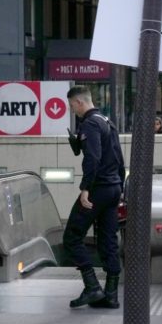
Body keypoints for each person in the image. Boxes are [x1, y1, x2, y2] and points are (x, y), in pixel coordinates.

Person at [63, 86, 125, 309]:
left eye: (72, 106)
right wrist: (120, 188)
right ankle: (111, 295)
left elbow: (93, 158)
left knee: (71, 236)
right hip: (113, 189)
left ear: (79, 102)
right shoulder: (107, 121)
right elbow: (118, 157)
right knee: (108, 241)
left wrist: (85, 188)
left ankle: (92, 287)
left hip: (98, 189)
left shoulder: (89, 123)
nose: (73, 111)